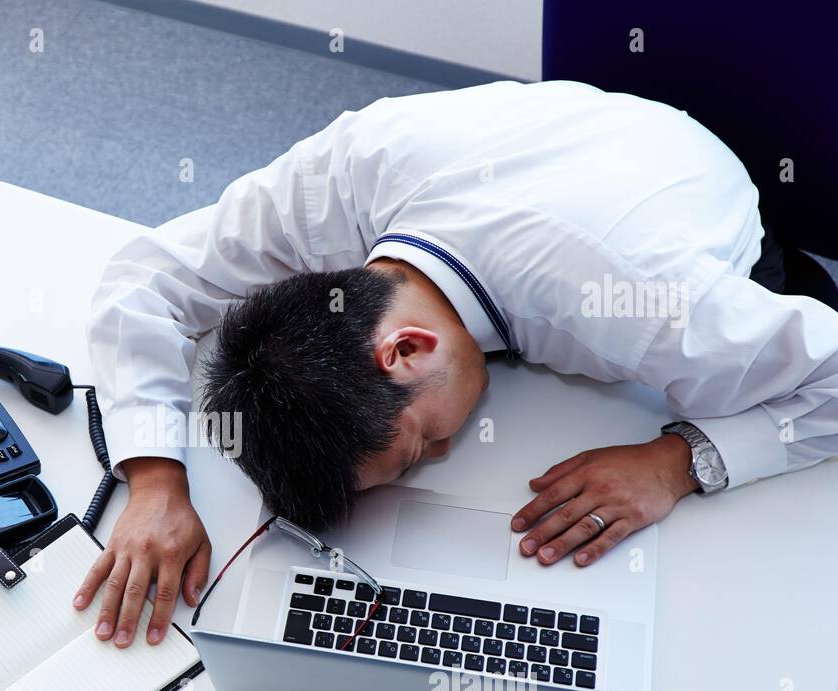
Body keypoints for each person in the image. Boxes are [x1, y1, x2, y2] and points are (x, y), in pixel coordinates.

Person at [75, 80, 838, 649]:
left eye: (415, 452)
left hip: (678, 171)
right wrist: (155, 479)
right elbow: (146, 276)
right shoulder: (345, 174)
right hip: (558, 151)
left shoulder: (648, 309)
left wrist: (676, 462)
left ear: (406, 350)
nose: (441, 457)